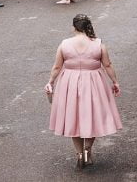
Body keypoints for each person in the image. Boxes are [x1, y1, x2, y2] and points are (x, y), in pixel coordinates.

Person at [44, 14, 122, 169]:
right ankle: (87, 150)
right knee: (92, 117)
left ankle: (79, 154)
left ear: (73, 27)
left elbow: (57, 67)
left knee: (73, 119)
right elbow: (107, 65)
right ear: (88, 26)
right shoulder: (99, 44)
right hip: (94, 84)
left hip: (69, 84)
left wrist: (50, 82)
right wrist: (115, 81)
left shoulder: (64, 44)